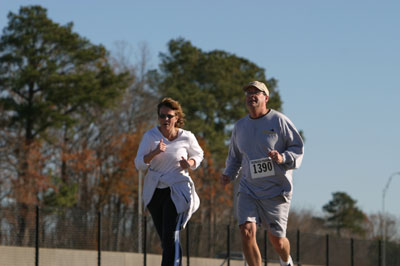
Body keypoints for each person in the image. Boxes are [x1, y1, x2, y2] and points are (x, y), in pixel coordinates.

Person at [220, 81, 304, 266]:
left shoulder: (279, 121)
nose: (251, 95)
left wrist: (282, 157)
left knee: (278, 241)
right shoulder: (240, 126)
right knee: (246, 231)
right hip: (249, 187)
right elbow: (235, 157)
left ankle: (286, 261)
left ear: (266, 98)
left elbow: (298, 148)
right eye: (248, 92)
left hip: (276, 190)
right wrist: (229, 174)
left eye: (256, 92)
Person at [135, 97, 204, 266]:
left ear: (177, 118)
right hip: (155, 190)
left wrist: (190, 163)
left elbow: (199, 155)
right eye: (162, 116)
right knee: (166, 238)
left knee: (170, 233)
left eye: (169, 116)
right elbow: (138, 163)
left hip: (177, 189)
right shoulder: (151, 136)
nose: (165, 119)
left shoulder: (187, 137)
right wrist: (154, 153)